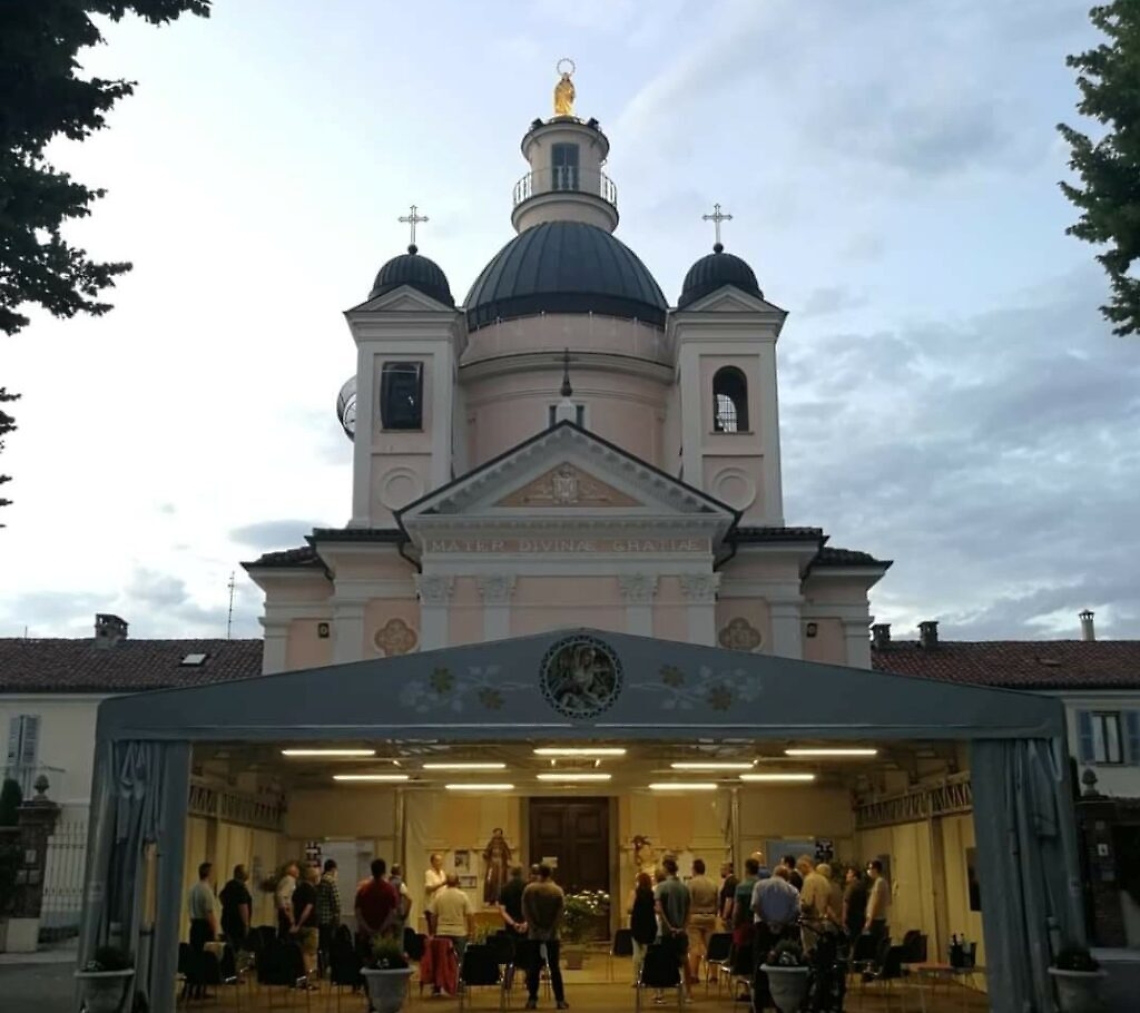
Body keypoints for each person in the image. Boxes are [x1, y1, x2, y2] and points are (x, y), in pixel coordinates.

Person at [752, 866, 801, 1012]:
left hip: (763, 928)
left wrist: (767, 921)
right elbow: (796, 911)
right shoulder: (792, 890)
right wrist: (781, 923)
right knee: (781, 962)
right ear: (786, 877)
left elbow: (755, 905)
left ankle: (759, 1002)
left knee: (760, 963)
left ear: (773, 874)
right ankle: (780, 1002)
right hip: (783, 929)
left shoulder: (759, 885)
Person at [521, 863, 568, 1011]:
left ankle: (532, 999)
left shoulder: (529, 889)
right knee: (554, 968)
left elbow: (525, 911)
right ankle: (560, 1000)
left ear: (539, 873)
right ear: (551, 873)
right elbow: (560, 913)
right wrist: (551, 928)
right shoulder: (557, 890)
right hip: (552, 935)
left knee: (533, 968)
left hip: (534, 934)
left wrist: (534, 926)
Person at [654, 856, 691, 1004]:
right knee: (684, 960)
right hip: (682, 930)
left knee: (662, 959)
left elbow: (659, 908)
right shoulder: (684, 887)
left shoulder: (662, 887)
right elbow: (689, 909)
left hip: (666, 931)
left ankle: (660, 993)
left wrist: (669, 926)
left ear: (666, 869)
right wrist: (683, 927)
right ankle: (688, 993)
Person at [428, 873, 475, 968]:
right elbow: (470, 915)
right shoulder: (463, 896)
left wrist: (433, 932)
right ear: (458, 882)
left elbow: (433, 915)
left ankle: (443, 979)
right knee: (459, 959)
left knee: (442, 960)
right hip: (459, 932)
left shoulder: (439, 896)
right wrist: (471, 932)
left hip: (442, 932)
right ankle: (457, 978)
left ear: (446, 883)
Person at [187, 862, 219, 1001]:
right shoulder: (206, 890)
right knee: (204, 959)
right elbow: (209, 912)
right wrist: (214, 930)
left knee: (195, 956)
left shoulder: (192, 888)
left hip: (194, 925)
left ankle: (192, 988)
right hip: (204, 926)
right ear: (209, 873)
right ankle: (201, 989)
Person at [686, 858, 718, 985]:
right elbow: (718, 901)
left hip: (695, 917)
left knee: (694, 946)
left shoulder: (692, 883)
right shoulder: (712, 883)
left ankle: (694, 974)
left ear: (694, 869)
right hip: (710, 917)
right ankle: (714, 975)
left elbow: (688, 901)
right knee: (712, 947)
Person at [356, 858, 400, 948]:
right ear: (384, 871)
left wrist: (368, 929)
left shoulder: (363, 889)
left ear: (372, 871)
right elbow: (392, 913)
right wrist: (380, 930)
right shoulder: (389, 889)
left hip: (366, 934)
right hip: (385, 934)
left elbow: (358, 912)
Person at [628, 871, 657, 987]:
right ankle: (646, 977)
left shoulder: (634, 893)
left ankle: (636, 978)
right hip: (649, 923)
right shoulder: (652, 893)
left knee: (636, 952)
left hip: (637, 923)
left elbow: (629, 908)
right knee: (646, 952)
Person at [292, 864, 320, 983]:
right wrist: (300, 922)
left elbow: (293, 907)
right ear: (313, 877)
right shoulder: (311, 891)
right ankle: (308, 980)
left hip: (299, 926)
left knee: (301, 953)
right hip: (310, 925)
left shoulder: (298, 889)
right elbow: (308, 909)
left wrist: (295, 923)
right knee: (310, 953)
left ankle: (301, 978)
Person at [316, 859, 342, 978]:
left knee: (321, 945)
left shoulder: (320, 880)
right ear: (333, 869)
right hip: (329, 919)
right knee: (329, 945)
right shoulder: (330, 881)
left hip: (320, 918)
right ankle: (327, 969)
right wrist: (338, 914)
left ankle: (320, 968)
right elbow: (336, 901)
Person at [219, 864, 252, 952]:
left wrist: (228, 906)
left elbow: (221, 896)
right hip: (237, 923)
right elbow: (243, 907)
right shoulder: (241, 888)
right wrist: (246, 924)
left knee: (229, 945)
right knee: (237, 947)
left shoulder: (229, 885)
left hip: (226, 919)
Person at [483, 828, 512, 906]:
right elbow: (486, 852)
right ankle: (489, 899)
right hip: (492, 865)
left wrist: (508, 860)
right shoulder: (491, 843)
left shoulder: (503, 844)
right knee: (490, 881)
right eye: (496, 833)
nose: (497, 834)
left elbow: (507, 853)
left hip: (500, 864)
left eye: (499, 833)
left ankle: (498, 899)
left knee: (500, 882)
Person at [865, 860, 890, 944]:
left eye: (870, 868)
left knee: (875, 943)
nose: (869, 871)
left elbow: (876, 902)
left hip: (876, 919)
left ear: (875, 869)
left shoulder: (880, 882)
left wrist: (870, 920)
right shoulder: (879, 882)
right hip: (877, 918)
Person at [843, 867, 869, 942]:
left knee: (851, 939)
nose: (846, 875)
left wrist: (844, 918)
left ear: (854, 876)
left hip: (852, 917)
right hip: (861, 916)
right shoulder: (862, 886)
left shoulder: (851, 887)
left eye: (849, 873)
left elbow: (846, 902)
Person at [276, 861, 299, 939]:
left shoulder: (284, 879)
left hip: (283, 911)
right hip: (287, 911)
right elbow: (282, 895)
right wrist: (286, 910)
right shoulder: (290, 880)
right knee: (286, 935)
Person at [389, 864, 414, 934]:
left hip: (388, 916)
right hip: (398, 915)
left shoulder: (387, 883)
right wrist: (406, 914)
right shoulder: (400, 884)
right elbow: (409, 899)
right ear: (400, 872)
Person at [718, 862, 738, 928]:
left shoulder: (729, 882)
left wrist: (724, 916)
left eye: (723, 868)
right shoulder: (734, 880)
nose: (721, 870)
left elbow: (729, 900)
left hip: (729, 918)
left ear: (728, 869)